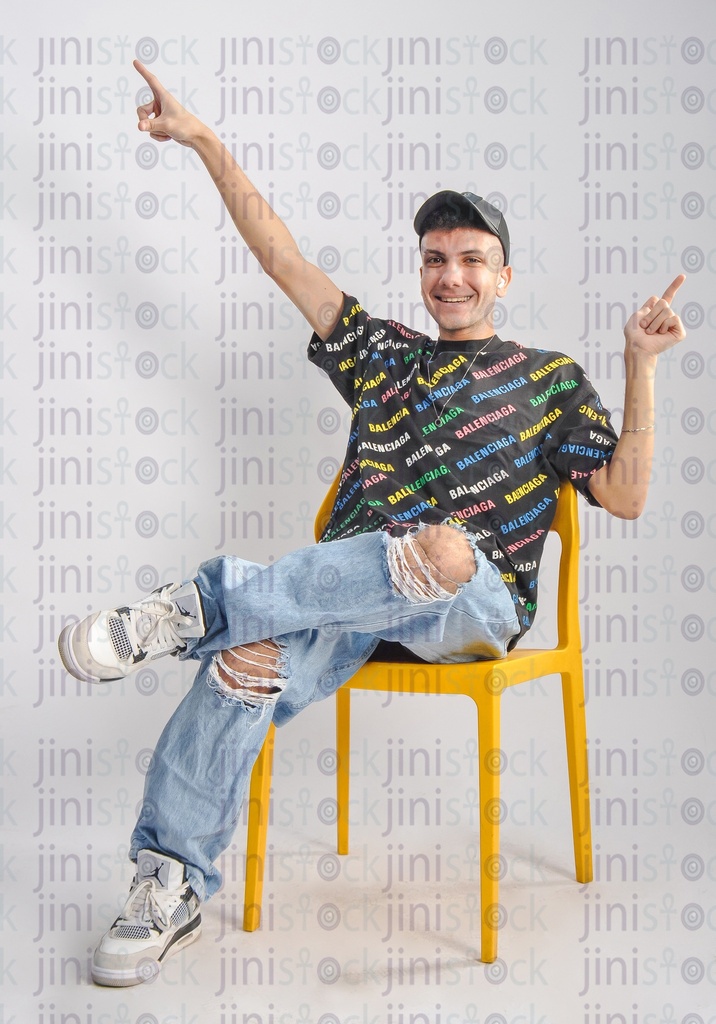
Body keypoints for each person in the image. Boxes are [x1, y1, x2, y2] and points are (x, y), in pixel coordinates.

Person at [58, 61, 686, 987]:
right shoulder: (382, 355)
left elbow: (627, 496)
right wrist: (201, 142)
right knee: (249, 661)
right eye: (436, 258)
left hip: (467, 605)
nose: (452, 275)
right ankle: (171, 886)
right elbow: (280, 255)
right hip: (349, 605)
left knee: (435, 545)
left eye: (472, 258)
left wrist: (639, 364)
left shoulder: (549, 381)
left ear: (502, 275)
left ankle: (197, 605)